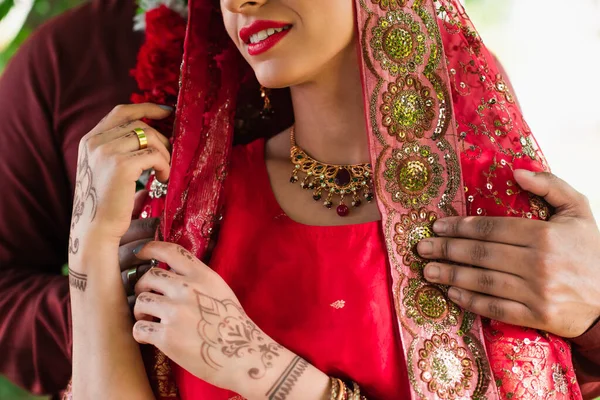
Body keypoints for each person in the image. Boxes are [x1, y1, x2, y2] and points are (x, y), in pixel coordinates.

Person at [1, 1, 599, 399]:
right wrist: (91, 254)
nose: (242, 3)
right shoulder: (203, 201)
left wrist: (269, 373)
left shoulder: (484, 210)